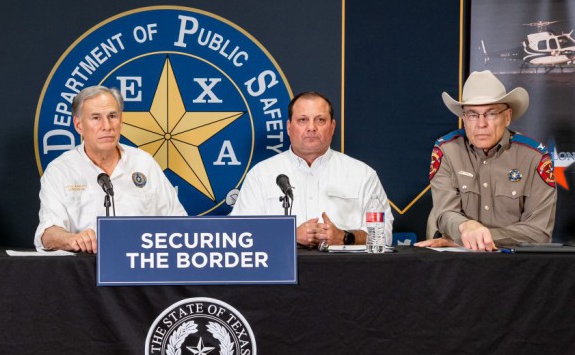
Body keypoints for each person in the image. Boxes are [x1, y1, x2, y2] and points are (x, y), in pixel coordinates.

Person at [231, 91, 390, 249]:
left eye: (320, 120)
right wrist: (289, 235)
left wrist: (344, 237)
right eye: (302, 120)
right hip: (280, 272)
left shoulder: (362, 174)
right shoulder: (260, 175)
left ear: (332, 127)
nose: (311, 127)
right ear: (288, 127)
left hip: (345, 271)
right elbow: (239, 234)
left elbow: (384, 235)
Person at [36, 85, 184, 252]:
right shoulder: (60, 170)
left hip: (141, 265)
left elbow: (178, 222)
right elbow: (48, 234)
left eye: (112, 116)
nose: (107, 126)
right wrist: (72, 239)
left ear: (120, 121)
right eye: (96, 118)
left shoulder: (144, 163)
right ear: (78, 125)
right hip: (85, 268)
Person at [421, 70, 556, 250]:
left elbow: (538, 232)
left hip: (511, 262)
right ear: (464, 119)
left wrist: (473, 237)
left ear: (507, 117)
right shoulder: (446, 150)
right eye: (473, 115)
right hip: (453, 259)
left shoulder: (534, 156)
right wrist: (466, 228)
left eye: (491, 113)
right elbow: (444, 214)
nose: (481, 124)